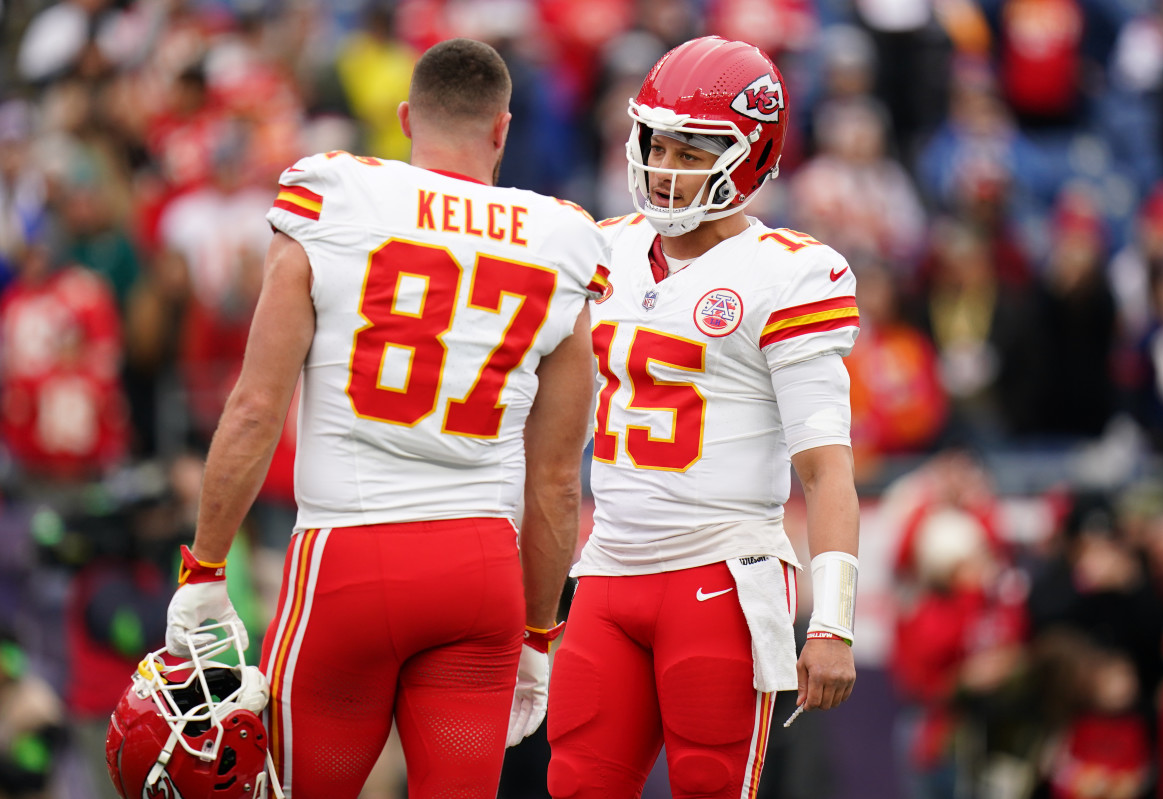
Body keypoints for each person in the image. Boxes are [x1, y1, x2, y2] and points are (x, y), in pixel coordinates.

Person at [161, 38, 608, 799]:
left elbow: (254, 407)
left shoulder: (333, 194)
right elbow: (559, 479)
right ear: (502, 130)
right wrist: (539, 631)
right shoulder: (562, 237)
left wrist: (205, 566)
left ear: (405, 119)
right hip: (481, 573)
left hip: (348, 557)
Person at [547, 36, 861, 798]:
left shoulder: (789, 273)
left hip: (721, 575)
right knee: (578, 784)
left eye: (693, 150)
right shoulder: (601, 248)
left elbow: (825, 469)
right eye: (656, 141)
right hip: (609, 569)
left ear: (751, 155)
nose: (666, 165)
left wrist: (835, 620)